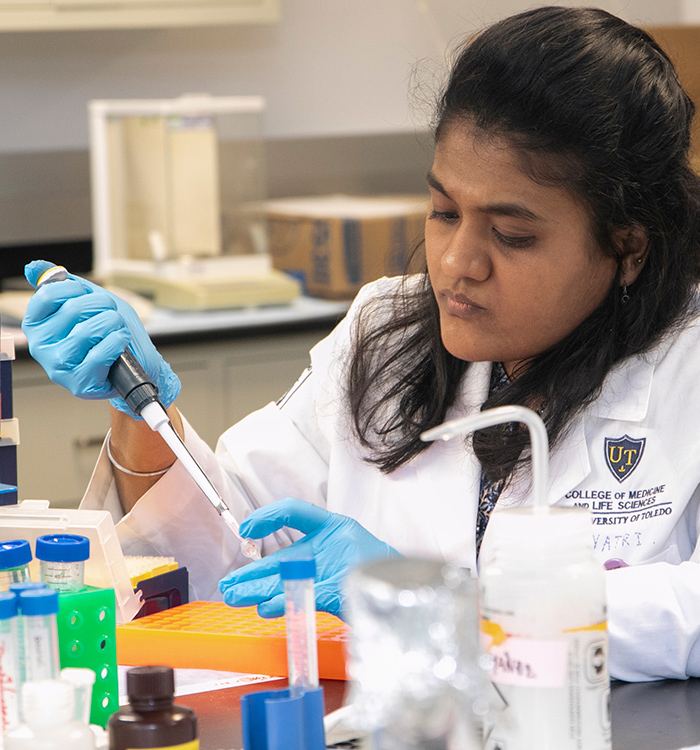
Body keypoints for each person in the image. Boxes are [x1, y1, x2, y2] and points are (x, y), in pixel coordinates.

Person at [21, 5, 700, 683]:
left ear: (627, 246)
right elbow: (228, 556)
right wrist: (143, 416)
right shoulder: (385, 336)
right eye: (443, 212)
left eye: (511, 234)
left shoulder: (686, 369)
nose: (458, 262)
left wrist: (433, 601)